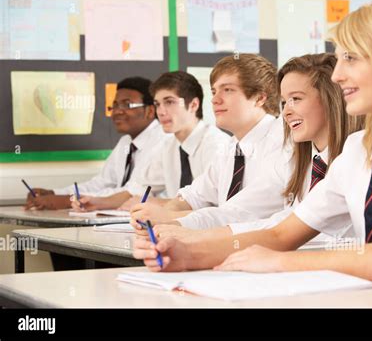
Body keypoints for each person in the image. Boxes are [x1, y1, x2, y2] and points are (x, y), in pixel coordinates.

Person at [133, 0, 372, 294]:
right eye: (338, 59)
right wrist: (185, 253)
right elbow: (283, 234)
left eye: (351, 58)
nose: (337, 76)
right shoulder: (359, 149)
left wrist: (280, 264)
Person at [130, 54, 287, 228]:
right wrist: (160, 214)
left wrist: (169, 219)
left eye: (227, 90)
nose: (215, 99)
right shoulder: (232, 147)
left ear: (259, 98)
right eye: (214, 91)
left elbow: (238, 214)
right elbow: (193, 196)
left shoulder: (281, 143)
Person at [71, 71, 230, 211]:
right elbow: (138, 189)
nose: (161, 111)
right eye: (157, 104)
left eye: (169, 102)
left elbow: (210, 204)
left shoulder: (217, 146)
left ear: (194, 105)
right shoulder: (169, 146)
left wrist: (156, 203)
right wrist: (97, 202)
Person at [25, 76, 166, 210]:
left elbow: (133, 192)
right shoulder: (126, 142)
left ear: (150, 111)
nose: (117, 111)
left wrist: (69, 200)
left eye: (127, 105)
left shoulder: (164, 140)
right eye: (114, 105)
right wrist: (54, 193)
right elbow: (102, 182)